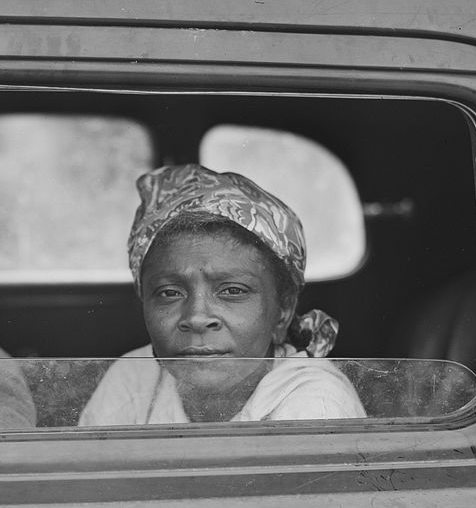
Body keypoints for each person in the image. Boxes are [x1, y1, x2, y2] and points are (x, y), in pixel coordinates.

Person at [78, 164, 367, 426]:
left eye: (232, 291)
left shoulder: (315, 407)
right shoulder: (133, 379)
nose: (197, 318)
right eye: (169, 292)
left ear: (283, 309)